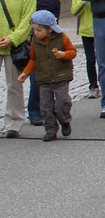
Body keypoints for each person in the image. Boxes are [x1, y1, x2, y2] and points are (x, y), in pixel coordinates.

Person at [17, 10, 77, 141]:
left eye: (39, 30)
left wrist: (63, 55)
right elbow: (33, 59)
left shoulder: (62, 38)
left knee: (62, 103)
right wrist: (25, 73)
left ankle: (64, 120)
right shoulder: (35, 41)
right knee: (46, 107)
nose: (35, 33)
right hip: (44, 79)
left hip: (61, 77)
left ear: (49, 29)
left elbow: (72, 52)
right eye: (34, 30)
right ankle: (50, 130)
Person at [0, 0, 37, 138]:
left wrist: (13, 38)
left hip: (13, 44)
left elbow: (28, 17)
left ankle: (14, 122)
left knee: (14, 84)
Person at [25, 0, 62, 127]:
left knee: (50, 70)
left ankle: (49, 107)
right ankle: (34, 111)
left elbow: (50, 2)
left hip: (49, 31)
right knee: (34, 71)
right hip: (29, 28)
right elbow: (25, 1)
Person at [70, 0, 99, 99]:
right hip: (86, 31)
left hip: (100, 29)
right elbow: (74, 11)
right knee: (90, 60)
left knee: (103, 60)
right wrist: (83, 1)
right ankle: (93, 86)